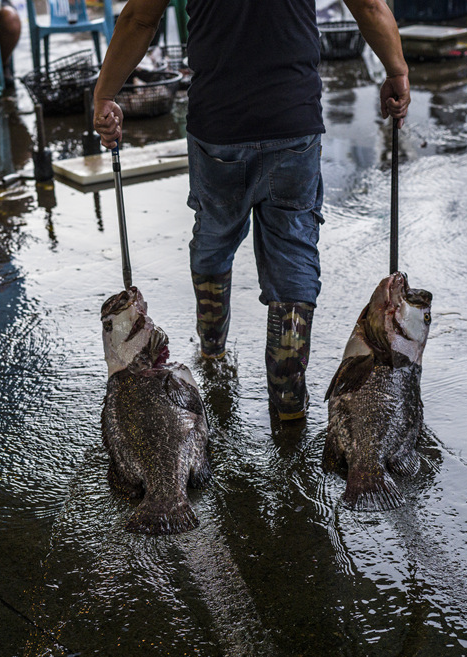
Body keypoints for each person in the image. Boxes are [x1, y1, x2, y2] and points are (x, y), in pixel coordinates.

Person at [93, 0, 409, 423]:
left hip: (219, 127)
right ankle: (289, 406)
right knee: (293, 254)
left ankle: (211, 348)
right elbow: (369, 5)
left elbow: (139, 17)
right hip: (292, 124)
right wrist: (397, 71)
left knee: (215, 232)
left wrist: (105, 94)